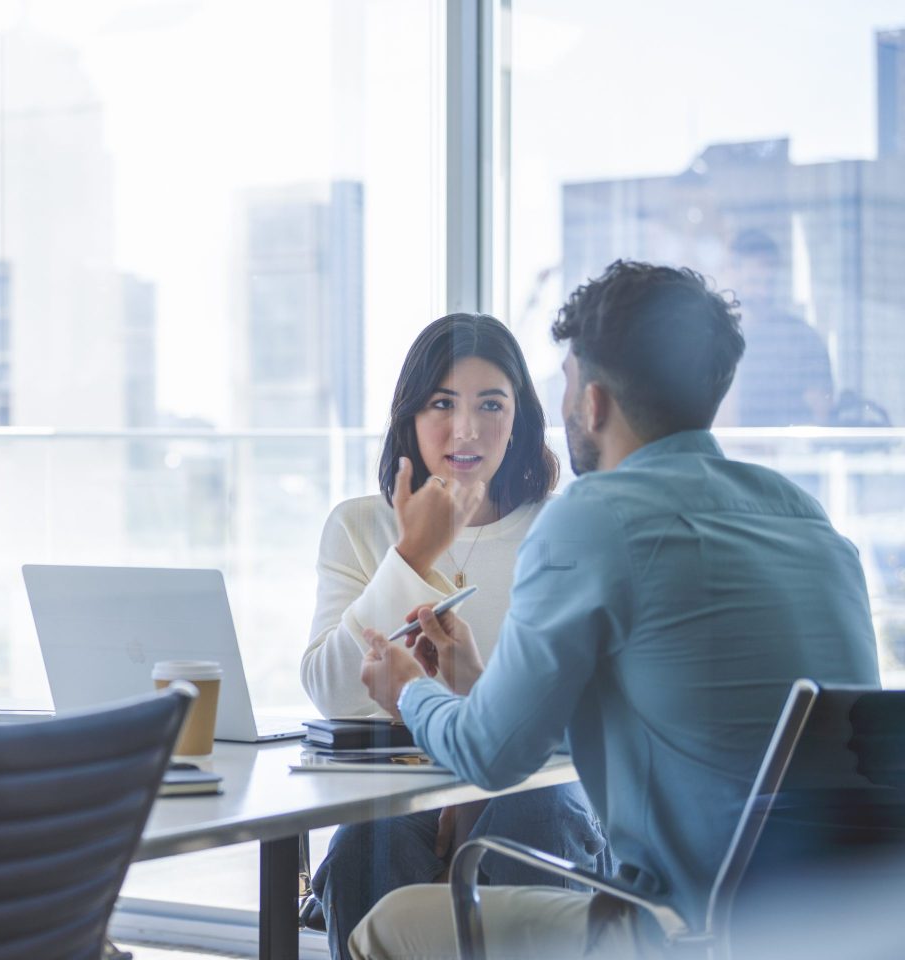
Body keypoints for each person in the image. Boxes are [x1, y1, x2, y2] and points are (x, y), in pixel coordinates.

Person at [351, 260, 880, 959]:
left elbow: (488, 758)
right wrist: (480, 688)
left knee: (388, 924)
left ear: (593, 402)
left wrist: (408, 690)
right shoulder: (806, 518)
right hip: (853, 923)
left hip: (686, 932)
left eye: (566, 382)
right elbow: (698, 732)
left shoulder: (594, 519)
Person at [301, 314, 611, 960]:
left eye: (490, 405)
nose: (465, 429)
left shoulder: (560, 529)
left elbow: (581, 715)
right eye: (442, 403)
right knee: (370, 840)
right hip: (400, 794)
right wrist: (412, 555)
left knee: (536, 814)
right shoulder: (360, 525)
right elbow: (335, 693)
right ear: (410, 416)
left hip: (537, 791)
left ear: (520, 419)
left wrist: (473, 785)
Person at [723, 229, 833, 426]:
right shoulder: (712, 338)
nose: (763, 292)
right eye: (754, 282)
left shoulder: (803, 339)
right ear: (733, 276)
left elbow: (822, 414)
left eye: (770, 283)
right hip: (724, 452)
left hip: (787, 454)